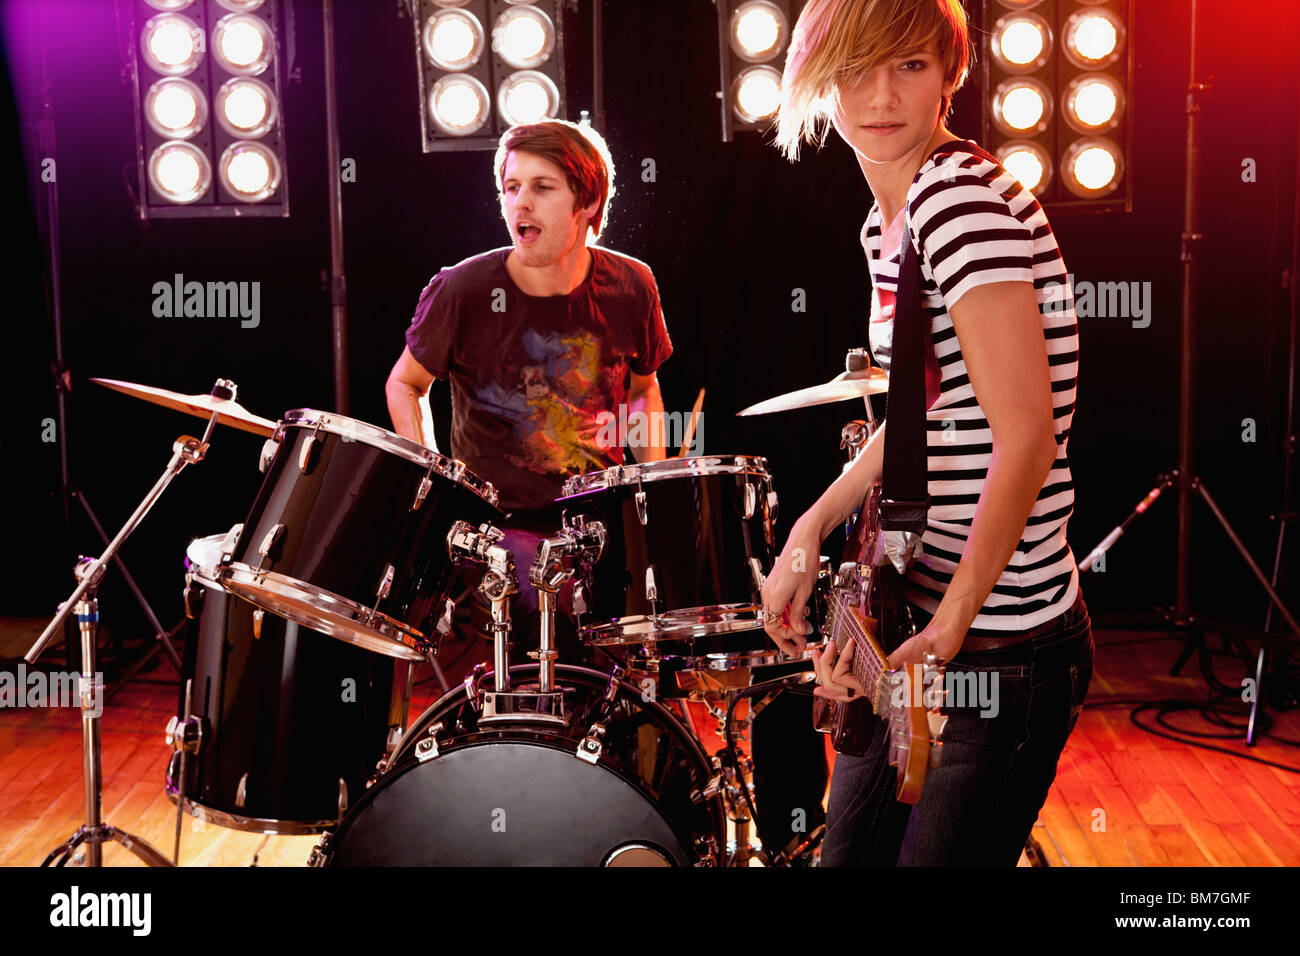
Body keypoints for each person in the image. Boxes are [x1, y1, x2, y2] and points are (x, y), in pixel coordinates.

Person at [761, 0, 1093, 866]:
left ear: (951, 75)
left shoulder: (958, 205)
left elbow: (1026, 436)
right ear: (818, 80)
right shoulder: (891, 222)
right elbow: (922, 417)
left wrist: (950, 626)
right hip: (924, 627)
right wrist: (813, 524)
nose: (881, 94)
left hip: (998, 650)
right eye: (858, 66)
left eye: (908, 65)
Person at [386, 119, 672, 661]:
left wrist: (648, 496)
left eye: (542, 188)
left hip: (597, 522)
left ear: (587, 201)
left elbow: (643, 390)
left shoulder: (634, 285)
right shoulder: (462, 289)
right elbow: (405, 383)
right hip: (497, 528)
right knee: (547, 608)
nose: (521, 203)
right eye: (512, 188)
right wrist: (435, 482)